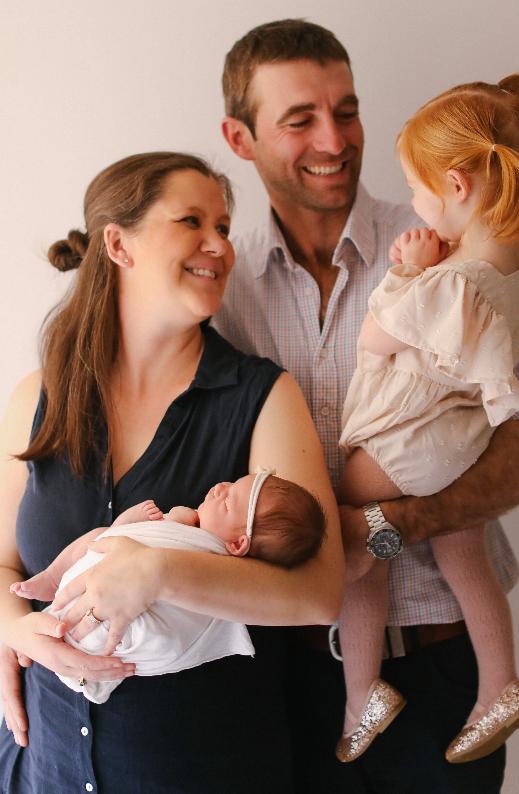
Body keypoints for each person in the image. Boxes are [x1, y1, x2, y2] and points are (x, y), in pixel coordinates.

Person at [214, 19, 519, 793]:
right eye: (300, 119)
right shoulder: (223, 284)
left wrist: (387, 527)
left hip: (441, 667)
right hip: (283, 673)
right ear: (239, 139)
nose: (335, 139)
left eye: (346, 110)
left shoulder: (455, 243)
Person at [0, 151, 342, 793]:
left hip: (206, 771)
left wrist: (161, 569)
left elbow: (320, 594)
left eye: (223, 226)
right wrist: (14, 630)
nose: (220, 244)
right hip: (44, 770)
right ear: (118, 244)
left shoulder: (262, 398)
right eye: (193, 221)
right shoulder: (38, 397)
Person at [335, 73, 519, 764]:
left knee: (354, 532)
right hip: (460, 446)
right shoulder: (514, 259)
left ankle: (361, 690)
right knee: (462, 547)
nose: (414, 204)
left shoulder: (449, 283)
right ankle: (500, 683)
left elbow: (376, 338)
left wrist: (407, 271)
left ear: (457, 186)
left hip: (412, 442)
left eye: (418, 188)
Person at [10, 470, 326, 703]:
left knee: (102, 536)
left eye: (228, 501)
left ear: (238, 543)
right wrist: (10, 628)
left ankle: (55, 581)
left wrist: (157, 524)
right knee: (102, 536)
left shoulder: (205, 550)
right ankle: (53, 580)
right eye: (230, 484)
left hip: (122, 628)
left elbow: (134, 539)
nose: (219, 487)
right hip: (54, 657)